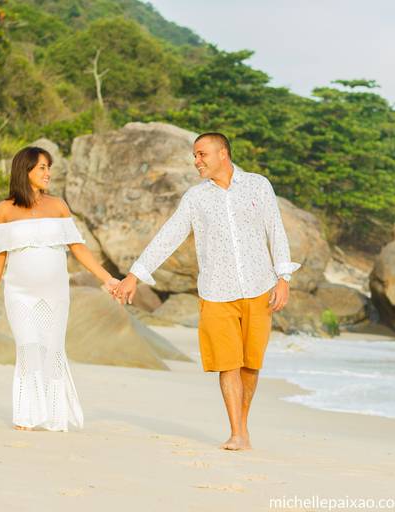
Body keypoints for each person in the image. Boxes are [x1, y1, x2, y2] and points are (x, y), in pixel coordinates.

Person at [113, 132, 299, 450]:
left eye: (202, 154)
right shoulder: (196, 199)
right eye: (195, 156)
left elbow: (275, 231)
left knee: (251, 365)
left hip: (259, 287)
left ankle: (243, 425)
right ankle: (237, 432)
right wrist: (134, 275)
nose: (196, 161)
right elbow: (168, 236)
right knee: (227, 363)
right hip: (216, 292)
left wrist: (283, 277)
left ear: (222, 153)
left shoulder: (258, 185)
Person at [0, 146, 120, 432]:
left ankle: (55, 415)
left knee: (53, 349)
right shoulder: (5, 210)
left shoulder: (58, 205)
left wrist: (106, 278)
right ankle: (26, 415)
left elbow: (78, 247)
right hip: (18, 293)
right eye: (42, 168)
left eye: (49, 167)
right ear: (26, 171)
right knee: (27, 347)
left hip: (55, 293)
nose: (48, 173)